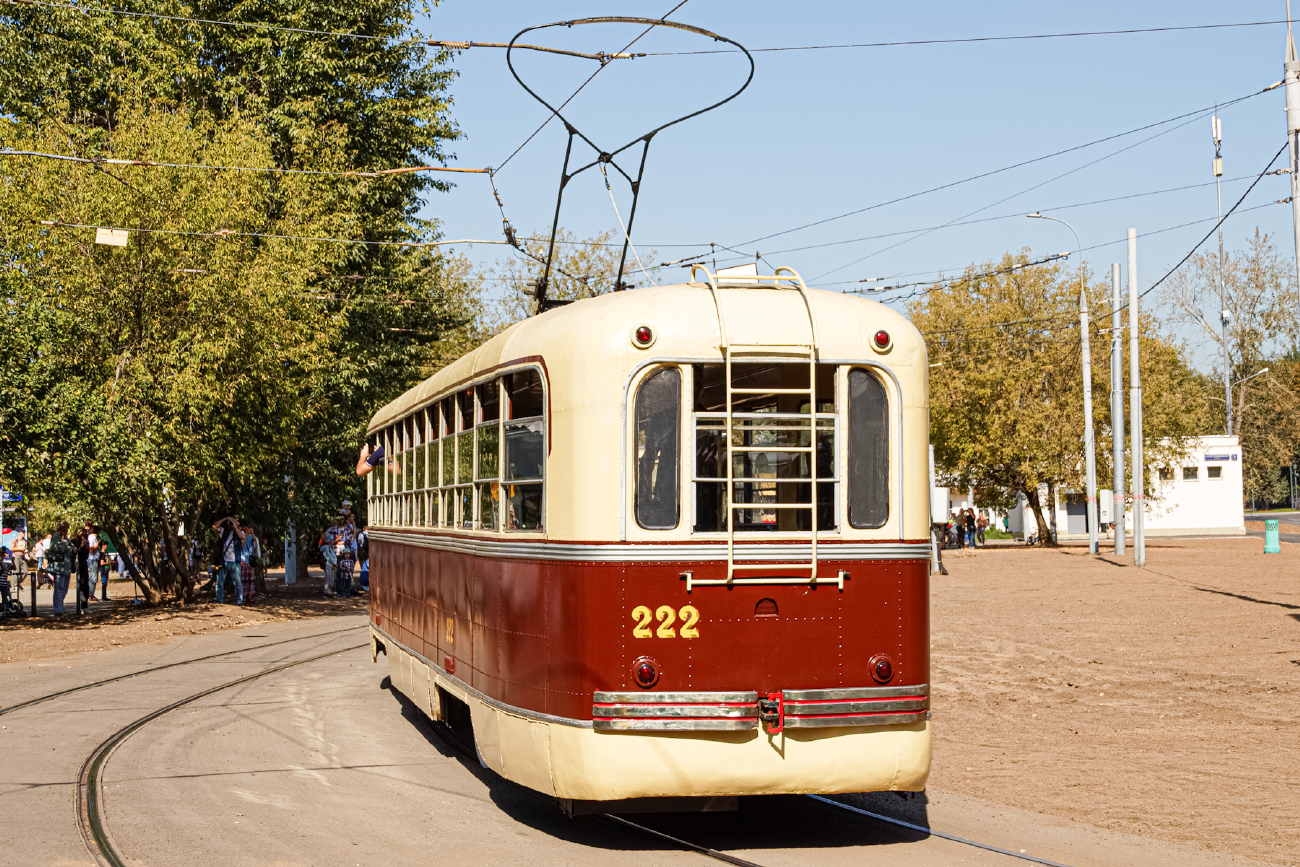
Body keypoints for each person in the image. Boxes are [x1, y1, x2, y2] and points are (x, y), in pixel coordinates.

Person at [210, 517, 246, 605]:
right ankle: (219, 600)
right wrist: (225, 519)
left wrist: (235, 527)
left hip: (235, 561)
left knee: (237, 582)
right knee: (220, 582)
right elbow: (214, 526)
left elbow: (242, 537)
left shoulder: (238, 533)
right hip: (223, 561)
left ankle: (240, 600)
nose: (231, 525)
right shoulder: (224, 532)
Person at [46, 522, 75, 617]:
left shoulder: (67, 539)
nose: (65, 530)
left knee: (64, 590)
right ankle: (58, 610)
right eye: (63, 528)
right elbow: (58, 549)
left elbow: (73, 550)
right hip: (59, 568)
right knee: (59, 589)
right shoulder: (55, 538)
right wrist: (64, 542)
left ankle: (60, 607)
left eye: (66, 528)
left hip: (67, 567)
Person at [239, 521, 259, 603]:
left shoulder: (251, 536)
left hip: (250, 560)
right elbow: (241, 545)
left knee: (250, 580)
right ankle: (243, 597)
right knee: (243, 580)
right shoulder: (240, 535)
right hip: (243, 560)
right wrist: (246, 535)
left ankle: (250, 596)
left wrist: (252, 533)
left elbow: (255, 542)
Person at [84, 523, 100, 601]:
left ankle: (91, 594)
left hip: (94, 558)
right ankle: (90, 595)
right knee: (93, 577)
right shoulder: (91, 538)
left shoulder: (93, 537)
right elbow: (90, 550)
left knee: (94, 577)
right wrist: (97, 545)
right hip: (92, 559)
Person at [356, 524, 369, 592]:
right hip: (367, 550)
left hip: (362, 549)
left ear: (363, 528)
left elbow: (359, 542)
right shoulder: (369, 534)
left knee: (361, 561)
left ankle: (362, 569)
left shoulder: (361, 534)